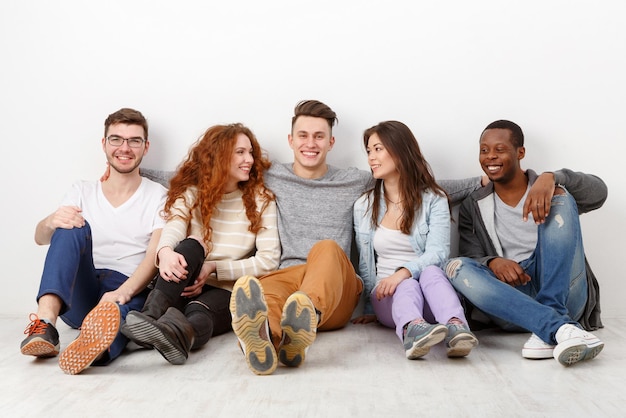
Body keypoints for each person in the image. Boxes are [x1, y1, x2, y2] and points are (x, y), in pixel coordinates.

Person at [228, 100, 483, 375]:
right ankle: (274, 341)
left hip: (336, 289)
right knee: (264, 291)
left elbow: (415, 186)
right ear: (290, 140)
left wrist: (487, 181)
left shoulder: (354, 181)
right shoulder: (271, 176)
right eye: (303, 135)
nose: (310, 143)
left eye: (319, 136)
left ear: (331, 142)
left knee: (325, 248)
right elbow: (208, 174)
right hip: (290, 276)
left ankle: (307, 312)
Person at [445, 119, 607, 367]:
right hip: (513, 301)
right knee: (455, 266)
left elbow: (600, 193)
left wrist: (552, 177)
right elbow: (470, 252)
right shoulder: (473, 204)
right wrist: (493, 261)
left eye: (500, 149)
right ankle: (558, 328)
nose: (490, 157)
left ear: (520, 153)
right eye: (484, 150)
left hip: (564, 293)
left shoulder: (549, 188)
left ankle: (552, 318)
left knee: (561, 197)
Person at [20, 108, 167, 375]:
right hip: (81, 290)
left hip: (127, 287)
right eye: (116, 139)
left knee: (123, 316)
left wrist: (122, 293)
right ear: (104, 144)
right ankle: (45, 325)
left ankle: (95, 346)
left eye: (134, 140)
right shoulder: (82, 190)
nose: (125, 148)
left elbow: (153, 258)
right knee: (70, 224)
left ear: (146, 147)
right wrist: (51, 220)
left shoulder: (159, 196)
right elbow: (40, 238)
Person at [121, 123, 280, 365]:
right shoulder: (192, 192)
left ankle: (179, 336)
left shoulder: (261, 200)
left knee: (201, 311)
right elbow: (174, 224)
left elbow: (268, 260)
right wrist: (163, 253)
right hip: (182, 281)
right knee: (193, 243)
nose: (249, 159)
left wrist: (214, 268)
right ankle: (149, 318)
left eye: (250, 152)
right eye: (240, 152)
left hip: (225, 290)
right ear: (219, 155)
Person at [352, 121, 478, 359]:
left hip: (432, 298)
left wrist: (404, 271)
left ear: (399, 151)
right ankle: (412, 330)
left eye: (378, 149)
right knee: (407, 285)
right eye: (369, 151)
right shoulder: (364, 206)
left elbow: (439, 253)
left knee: (431, 271)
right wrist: (370, 308)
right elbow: (366, 264)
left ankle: (456, 328)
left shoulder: (434, 200)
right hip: (388, 299)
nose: (371, 158)